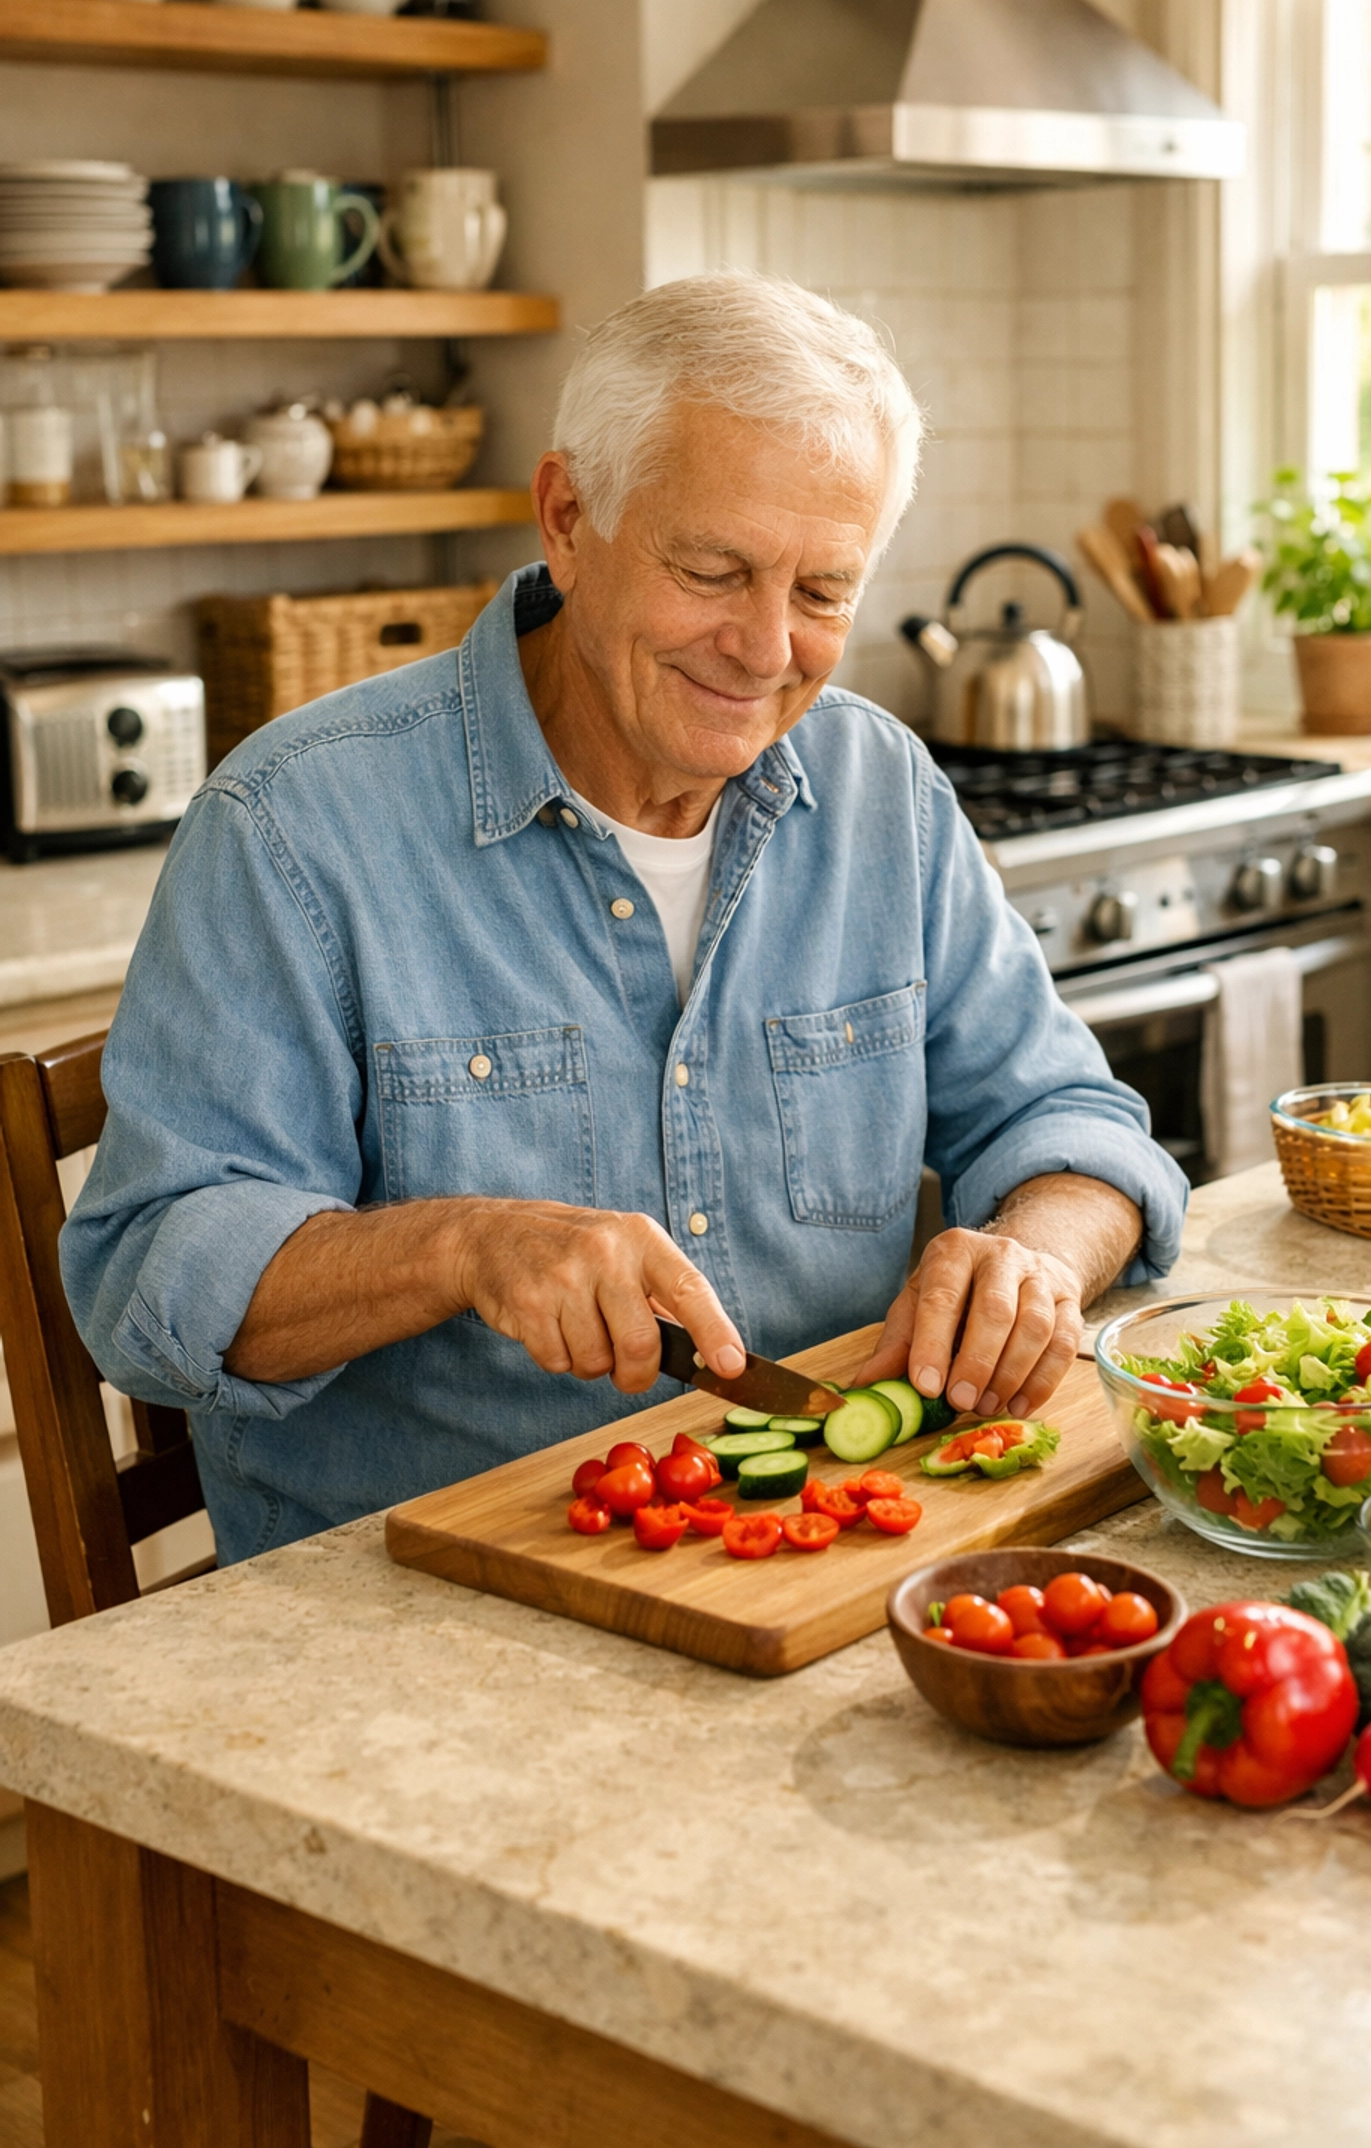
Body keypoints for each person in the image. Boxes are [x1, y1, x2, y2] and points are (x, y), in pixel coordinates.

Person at [62, 273, 1186, 1563]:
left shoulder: (886, 795)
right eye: (713, 570)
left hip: (807, 1565)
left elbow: (1074, 1125)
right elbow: (147, 1276)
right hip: (413, 1613)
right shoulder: (293, 827)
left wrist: (1030, 1256)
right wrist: (458, 1247)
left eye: (824, 592)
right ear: (568, 518)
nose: (766, 650)